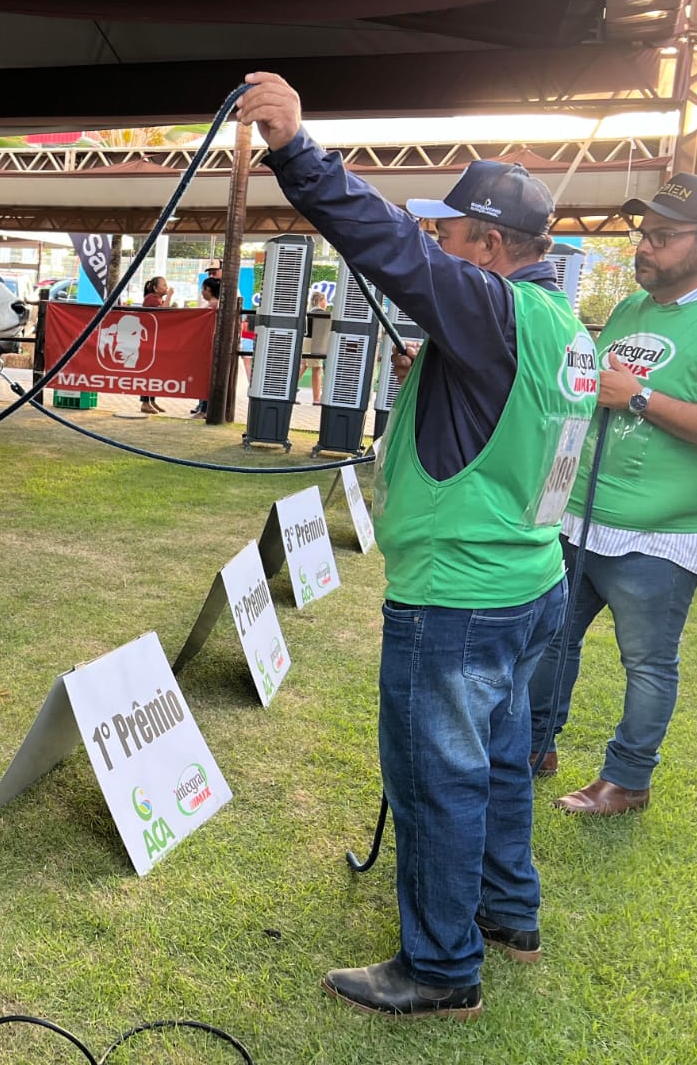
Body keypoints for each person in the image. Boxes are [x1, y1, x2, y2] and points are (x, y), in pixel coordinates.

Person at [239, 71, 598, 1020]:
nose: (436, 240)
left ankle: (439, 968)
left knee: (439, 779)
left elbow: (387, 246)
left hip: (460, 595)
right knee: (503, 760)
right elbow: (507, 415)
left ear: (486, 244)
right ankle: (506, 915)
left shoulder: (486, 306)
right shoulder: (557, 321)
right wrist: (439, 367)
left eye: (451, 231)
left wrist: (295, 151)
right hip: (529, 582)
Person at [526, 174, 697, 816]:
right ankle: (534, 745)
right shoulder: (628, 310)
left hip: (660, 536)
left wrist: (638, 396)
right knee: (550, 640)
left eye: (663, 237)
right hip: (580, 516)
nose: (645, 247)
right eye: (645, 234)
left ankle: (627, 780)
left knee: (646, 664)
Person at [137, 275, 170, 414]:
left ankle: (151, 400)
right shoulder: (152, 299)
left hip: (154, 339)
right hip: (148, 340)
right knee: (148, 371)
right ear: (155, 288)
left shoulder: (157, 299)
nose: (166, 287)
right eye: (163, 285)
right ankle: (145, 402)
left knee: (154, 371)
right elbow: (164, 311)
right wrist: (170, 296)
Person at [191, 276, 222, 416]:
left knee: (206, 377)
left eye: (203, 289)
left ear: (208, 289)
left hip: (208, 345)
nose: (201, 292)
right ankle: (202, 407)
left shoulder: (212, 305)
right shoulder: (214, 304)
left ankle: (204, 409)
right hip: (207, 344)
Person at [305, 289, 330, 402]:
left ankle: (316, 398)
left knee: (306, 366)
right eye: (325, 300)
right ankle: (316, 399)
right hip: (314, 343)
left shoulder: (311, 310)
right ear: (320, 300)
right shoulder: (319, 312)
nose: (327, 303)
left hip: (308, 342)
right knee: (316, 368)